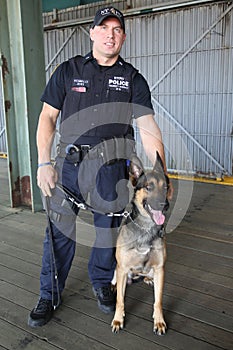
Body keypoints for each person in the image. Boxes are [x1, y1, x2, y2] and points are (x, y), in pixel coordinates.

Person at [28, 6, 172, 328]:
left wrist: (159, 171)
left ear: (123, 36)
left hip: (110, 171)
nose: (110, 34)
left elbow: (148, 127)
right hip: (69, 166)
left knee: (107, 233)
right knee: (59, 232)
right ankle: (49, 294)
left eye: (117, 29)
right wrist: (43, 162)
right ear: (91, 33)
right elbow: (47, 118)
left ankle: (104, 283)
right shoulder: (68, 71)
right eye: (103, 28)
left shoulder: (132, 79)